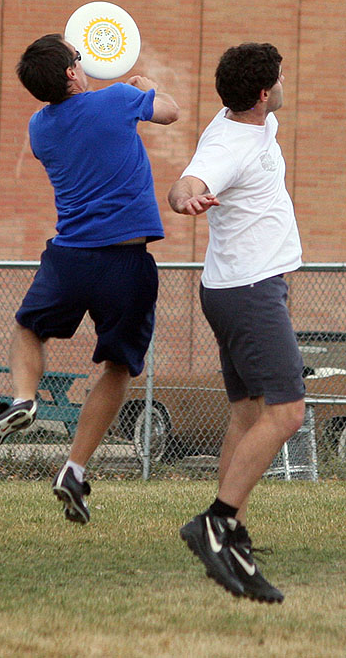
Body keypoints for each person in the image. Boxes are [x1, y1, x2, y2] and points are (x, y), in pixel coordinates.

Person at [0, 33, 179, 525]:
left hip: (68, 259)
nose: (84, 64)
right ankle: (74, 466)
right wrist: (147, 86)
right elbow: (169, 112)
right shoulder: (119, 100)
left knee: (28, 327)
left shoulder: (39, 128)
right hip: (127, 262)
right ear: (69, 73)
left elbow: (81, 124)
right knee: (117, 367)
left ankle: (23, 399)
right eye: (78, 60)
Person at [168, 43, 303, 603]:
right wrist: (185, 199)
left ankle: (230, 537)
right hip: (249, 294)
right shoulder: (230, 141)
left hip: (236, 288)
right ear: (265, 94)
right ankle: (217, 522)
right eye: (280, 78)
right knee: (288, 411)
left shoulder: (249, 122)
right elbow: (189, 183)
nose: (284, 83)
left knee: (247, 417)